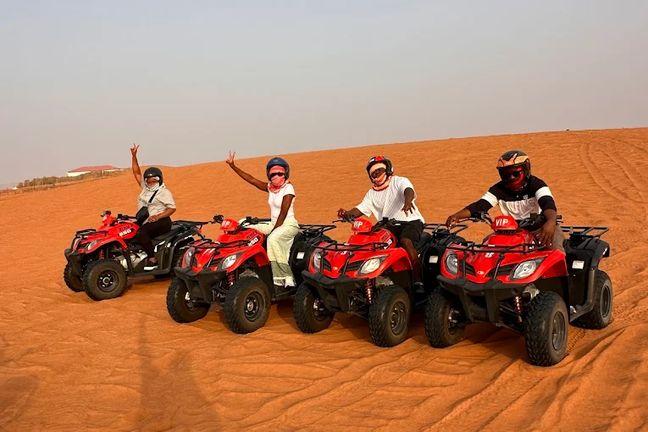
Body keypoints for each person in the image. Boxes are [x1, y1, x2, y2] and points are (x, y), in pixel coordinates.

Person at [446, 149, 564, 251]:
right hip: (511, 232)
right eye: (506, 175)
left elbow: (547, 203)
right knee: (487, 246)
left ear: (526, 170)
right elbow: (480, 205)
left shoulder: (536, 184)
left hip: (540, 228)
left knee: (555, 249)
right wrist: (456, 216)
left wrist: (550, 223)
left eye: (515, 173)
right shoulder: (498, 189)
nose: (511, 178)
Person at [337, 156, 425, 286]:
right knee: (372, 242)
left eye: (379, 170)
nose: (376, 173)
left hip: (410, 221)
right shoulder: (371, 193)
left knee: (405, 241)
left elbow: (408, 191)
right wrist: (347, 214)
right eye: (373, 172)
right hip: (388, 225)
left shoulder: (399, 181)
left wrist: (407, 201)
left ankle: (418, 279)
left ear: (388, 169)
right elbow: (360, 208)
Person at [226, 151, 299, 288]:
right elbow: (252, 180)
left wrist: (273, 231)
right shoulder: (271, 188)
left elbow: (283, 213)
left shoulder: (288, 188)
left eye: (279, 173)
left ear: (285, 174)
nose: (276, 176)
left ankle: (286, 276)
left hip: (288, 224)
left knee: (272, 239)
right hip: (274, 223)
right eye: (273, 174)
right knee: (243, 224)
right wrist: (233, 166)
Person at [130, 144, 176, 268]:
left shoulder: (163, 192)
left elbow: (172, 208)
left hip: (162, 221)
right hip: (145, 220)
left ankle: (152, 258)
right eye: (148, 181)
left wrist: (158, 216)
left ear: (159, 179)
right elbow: (136, 172)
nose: (151, 183)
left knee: (142, 233)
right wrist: (134, 156)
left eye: (154, 180)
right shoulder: (145, 188)